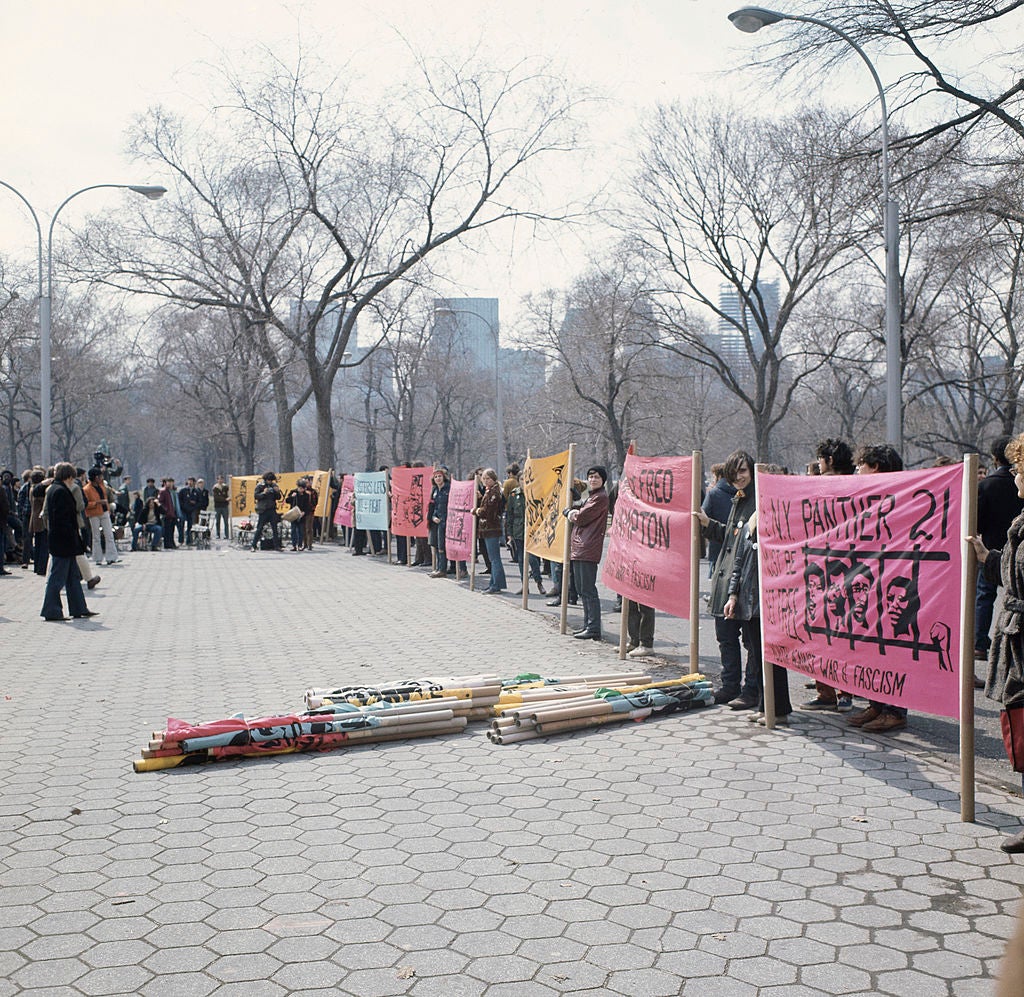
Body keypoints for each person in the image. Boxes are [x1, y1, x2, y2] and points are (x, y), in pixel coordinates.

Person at [969, 431, 1024, 853]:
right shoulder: (1021, 523)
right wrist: (988, 557)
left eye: (1019, 469)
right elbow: (1011, 577)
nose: (1014, 477)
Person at [847, 443, 908, 734]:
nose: (857, 470)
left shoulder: (902, 498)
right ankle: (877, 703)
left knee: (892, 649)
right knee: (873, 647)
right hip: (871, 584)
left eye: (862, 465)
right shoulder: (868, 499)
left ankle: (895, 710)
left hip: (895, 586)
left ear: (876, 467)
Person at [696, 450, 759, 708]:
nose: (739, 476)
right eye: (734, 472)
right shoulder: (737, 499)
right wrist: (707, 523)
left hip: (746, 583)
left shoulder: (757, 501)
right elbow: (731, 536)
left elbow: (748, 547)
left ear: (752, 472)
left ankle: (752, 690)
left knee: (752, 642)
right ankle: (730, 685)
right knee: (726, 637)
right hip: (725, 579)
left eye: (743, 471)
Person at [724, 495, 792, 725]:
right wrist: (733, 595)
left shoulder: (780, 522)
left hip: (771, 602)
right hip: (748, 603)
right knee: (757, 656)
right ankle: (765, 707)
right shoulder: (750, 522)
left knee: (773, 659)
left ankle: (778, 710)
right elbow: (739, 562)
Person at [802, 438, 856, 713]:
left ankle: (836, 692)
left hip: (838, 571)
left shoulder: (840, 487)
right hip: (830, 569)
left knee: (835, 634)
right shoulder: (854, 485)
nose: (819, 465)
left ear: (830, 460)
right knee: (828, 634)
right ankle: (832, 693)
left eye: (821, 460)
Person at [976, 435, 1024, 665]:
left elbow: (977, 522)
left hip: (992, 549)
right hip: (1004, 553)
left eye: (1019, 472)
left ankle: (978, 644)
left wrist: (985, 553)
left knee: (984, 597)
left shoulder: (985, 485)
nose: (1016, 478)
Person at [40, 462, 97, 622]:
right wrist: (73, 537)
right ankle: (51, 610)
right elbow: (63, 519)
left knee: (72, 577)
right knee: (57, 577)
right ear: (69, 476)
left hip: (62, 540)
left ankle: (79, 607)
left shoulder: (53, 489)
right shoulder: (60, 491)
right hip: (63, 541)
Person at [567, 466, 610, 640]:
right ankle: (588, 624)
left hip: (587, 547)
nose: (593, 480)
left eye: (597, 477)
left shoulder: (600, 497)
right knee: (582, 588)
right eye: (590, 477)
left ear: (603, 480)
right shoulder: (593, 496)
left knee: (588, 589)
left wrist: (570, 513)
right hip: (581, 547)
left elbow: (582, 517)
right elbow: (584, 508)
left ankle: (593, 627)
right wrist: (577, 504)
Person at [505, 478, 545, 596]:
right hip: (518, 530)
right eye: (522, 479)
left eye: (526, 479)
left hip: (532, 530)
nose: (524, 481)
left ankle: (539, 582)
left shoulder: (535, 492)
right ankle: (524, 585)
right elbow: (510, 514)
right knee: (521, 559)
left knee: (532, 558)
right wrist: (509, 533)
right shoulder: (514, 494)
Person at [474, 468, 507, 594]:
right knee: (493, 558)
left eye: (488, 478)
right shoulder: (489, 492)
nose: (486, 481)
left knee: (494, 558)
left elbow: (488, 511)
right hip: (487, 529)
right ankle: (495, 583)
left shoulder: (495, 492)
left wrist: (476, 511)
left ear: (493, 479)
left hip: (492, 528)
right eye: (484, 478)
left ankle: (495, 585)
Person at [83, 467, 120, 565]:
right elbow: (86, 504)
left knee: (109, 534)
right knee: (96, 536)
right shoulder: (87, 489)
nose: (102, 478)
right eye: (100, 476)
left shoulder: (102, 485)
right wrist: (97, 503)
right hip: (93, 513)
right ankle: (97, 558)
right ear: (95, 477)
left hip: (104, 511)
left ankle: (111, 557)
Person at [428, 467, 451, 578]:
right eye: (436, 476)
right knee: (437, 545)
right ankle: (438, 567)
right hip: (437, 521)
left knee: (443, 545)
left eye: (439, 476)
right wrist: (433, 517)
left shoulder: (449, 488)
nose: (438, 478)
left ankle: (443, 569)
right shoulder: (435, 490)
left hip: (447, 521)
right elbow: (434, 506)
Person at [252, 472, 283, 551]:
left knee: (275, 528)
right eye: (268, 480)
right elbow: (256, 496)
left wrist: (277, 491)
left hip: (272, 509)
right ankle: (254, 545)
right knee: (259, 528)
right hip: (263, 510)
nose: (270, 482)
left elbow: (278, 497)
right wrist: (264, 493)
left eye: (271, 480)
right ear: (265, 479)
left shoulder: (274, 486)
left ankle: (276, 546)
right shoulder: (260, 486)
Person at [212, 474, 231, 539]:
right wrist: (225, 499)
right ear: (217, 480)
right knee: (218, 521)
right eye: (219, 479)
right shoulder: (215, 488)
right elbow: (216, 498)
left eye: (221, 479)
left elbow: (229, 495)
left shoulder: (226, 487)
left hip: (225, 506)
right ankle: (218, 534)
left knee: (226, 521)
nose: (220, 480)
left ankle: (226, 534)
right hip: (217, 507)